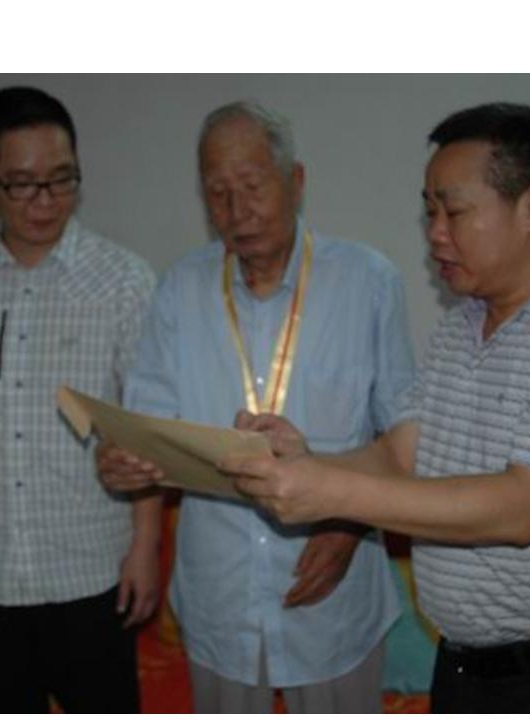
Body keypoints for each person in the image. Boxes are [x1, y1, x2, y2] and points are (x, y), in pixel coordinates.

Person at [221, 102, 530, 713]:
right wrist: (306, 460)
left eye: (453, 211)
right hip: (464, 673)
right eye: (429, 211)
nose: (434, 232)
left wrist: (328, 492)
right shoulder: (462, 326)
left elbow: (520, 508)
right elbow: (401, 453)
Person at [99, 101, 417, 713]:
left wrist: (348, 525)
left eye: (251, 186)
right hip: (220, 593)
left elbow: (405, 435)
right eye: (218, 193)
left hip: (331, 590)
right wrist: (122, 461)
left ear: (295, 181)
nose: (236, 211)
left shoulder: (368, 282)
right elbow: (148, 427)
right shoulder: (179, 291)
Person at [0, 86, 158, 713]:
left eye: (62, 179)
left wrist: (146, 547)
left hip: (90, 571)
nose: (45, 201)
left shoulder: (125, 283)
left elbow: (145, 426)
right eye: (21, 184)